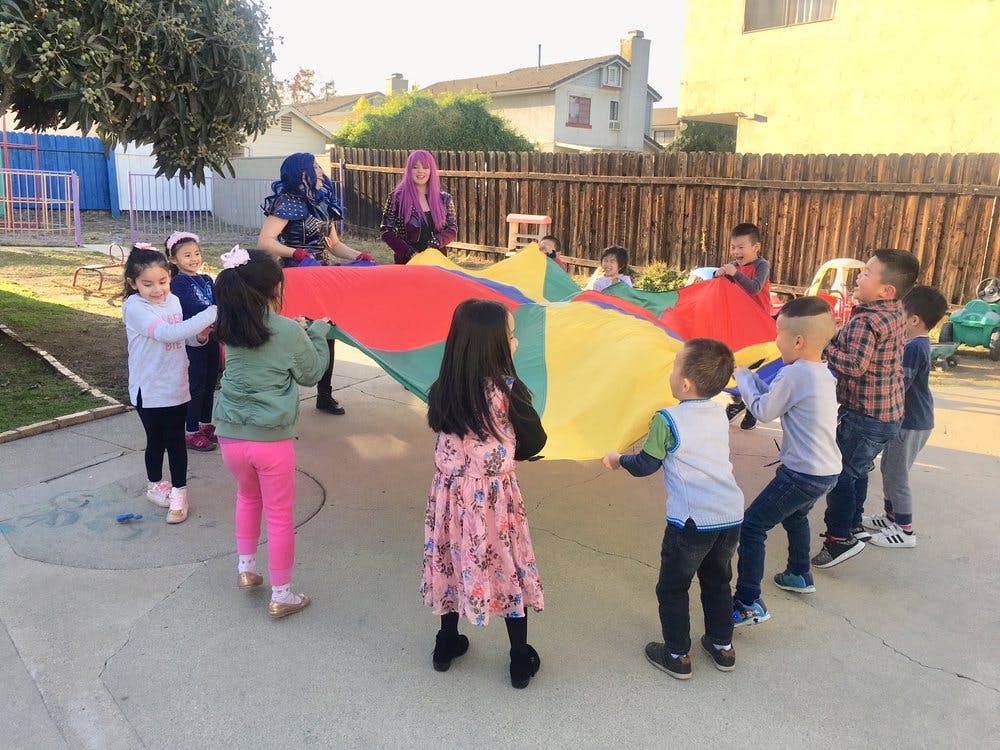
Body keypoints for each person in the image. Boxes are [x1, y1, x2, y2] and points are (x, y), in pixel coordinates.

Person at [421, 299, 547, 689]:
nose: (517, 342)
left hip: (449, 501)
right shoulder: (511, 391)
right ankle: (518, 659)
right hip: (494, 503)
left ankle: (446, 643)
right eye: (511, 335)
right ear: (493, 345)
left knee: (451, 560)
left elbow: (437, 425)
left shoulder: (442, 387)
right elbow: (533, 441)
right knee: (507, 564)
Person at [603, 338, 743, 680]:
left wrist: (617, 459)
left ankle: (677, 654)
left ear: (685, 383)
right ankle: (722, 645)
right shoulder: (719, 409)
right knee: (718, 580)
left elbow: (646, 465)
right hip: (730, 515)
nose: (671, 372)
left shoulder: (668, 419)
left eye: (674, 366)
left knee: (673, 587)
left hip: (692, 521)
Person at [212, 247, 332, 619]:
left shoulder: (227, 325)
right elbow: (311, 374)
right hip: (271, 440)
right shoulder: (286, 330)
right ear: (273, 290)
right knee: (279, 516)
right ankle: (282, 595)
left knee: (247, 499)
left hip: (230, 436)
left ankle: (246, 571)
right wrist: (316, 333)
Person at [730, 297, 841, 626]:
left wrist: (743, 377)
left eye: (778, 334)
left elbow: (763, 410)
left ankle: (749, 602)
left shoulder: (796, 375)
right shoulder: (818, 372)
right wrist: (749, 383)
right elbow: (774, 397)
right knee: (795, 517)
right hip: (825, 470)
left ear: (798, 341)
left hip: (803, 473)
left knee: (752, 527)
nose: (775, 341)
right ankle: (798, 574)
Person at [812, 249, 920, 569]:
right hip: (887, 414)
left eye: (867, 272)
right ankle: (855, 524)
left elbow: (855, 365)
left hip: (864, 415)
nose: (859, 276)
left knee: (842, 474)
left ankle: (840, 539)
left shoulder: (868, 321)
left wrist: (824, 346)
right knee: (857, 471)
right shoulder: (895, 312)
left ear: (886, 290)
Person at [258, 152, 374, 416]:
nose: (321, 171)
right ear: (301, 173)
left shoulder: (323, 202)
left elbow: (333, 245)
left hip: (322, 277)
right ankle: (280, 396)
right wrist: (294, 253)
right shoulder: (286, 202)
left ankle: (325, 395)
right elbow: (265, 241)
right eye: (315, 167)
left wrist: (358, 256)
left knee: (324, 332)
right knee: (289, 333)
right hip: (294, 278)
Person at [122, 244, 217, 524]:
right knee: (156, 441)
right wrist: (211, 312)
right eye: (147, 284)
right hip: (148, 389)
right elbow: (165, 333)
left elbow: (183, 338)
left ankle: (179, 493)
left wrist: (200, 337)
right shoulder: (134, 307)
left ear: (170, 277)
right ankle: (155, 485)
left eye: (163, 282)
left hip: (176, 384)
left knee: (175, 441)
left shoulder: (173, 301)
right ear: (133, 283)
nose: (158, 290)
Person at [859, 285, 948, 548]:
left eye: (900, 315)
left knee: (897, 475)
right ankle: (890, 517)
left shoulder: (913, 348)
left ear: (913, 320)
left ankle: (905, 530)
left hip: (911, 423)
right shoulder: (913, 344)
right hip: (907, 421)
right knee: (889, 468)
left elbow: (899, 386)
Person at [166, 231, 220, 452]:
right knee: (195, 385)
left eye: (196, 253)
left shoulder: (206, 279)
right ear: (173, 260)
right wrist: (215, 313)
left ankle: (205, 424)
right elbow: (192, 306)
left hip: (212, 336)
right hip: (193, 340)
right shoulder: (178, 282)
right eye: (187, 255)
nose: (194, 258)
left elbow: (218, 299)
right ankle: (190, 431)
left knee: (210, 382)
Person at [717, 223, 772, 431]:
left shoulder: (761, 266)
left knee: (754, 368)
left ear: (756, 247)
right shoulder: (734, 266)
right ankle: (737, 402)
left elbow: (754, 288)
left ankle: (751, 407)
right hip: (739, 324)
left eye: (741, 247)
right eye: (733, 247)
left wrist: (735, 273)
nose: (736, 252)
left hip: (759, 326)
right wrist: (720, 275)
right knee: (734, 363)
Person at [380, 149, 458, 264]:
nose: (420, 171)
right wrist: (408, 252)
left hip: (436, 263)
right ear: (409, 170)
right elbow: (386, 230)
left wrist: (438, 240)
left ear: (431, 170)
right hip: (407, 263)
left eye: (425, 167)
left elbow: (452, 229)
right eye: (415, 167)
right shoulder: (396, 197)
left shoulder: (445, 199)